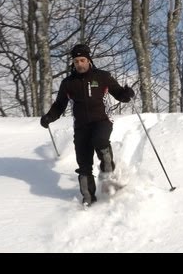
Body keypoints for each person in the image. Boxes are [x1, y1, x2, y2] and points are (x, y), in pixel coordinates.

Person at [40, 43, 135, 207]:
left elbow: (119, 93)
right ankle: (88, 199)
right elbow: (59, 105)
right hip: (81, 127)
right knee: (83, 164)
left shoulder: (102, 77)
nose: (79, 64)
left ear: (89, 60)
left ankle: (108, 175)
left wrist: (127, 94)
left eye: (82, 60)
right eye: (76, 61)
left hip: (102, 121)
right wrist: (49, 117)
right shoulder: (68, 83)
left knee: (100, 141)